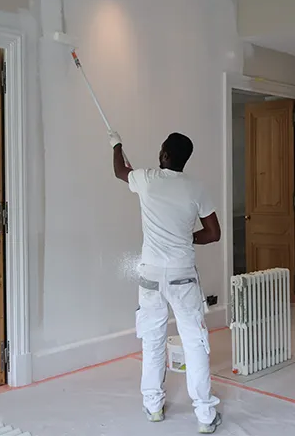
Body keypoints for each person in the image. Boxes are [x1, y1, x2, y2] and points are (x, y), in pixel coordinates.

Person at [109, 130, 222, 434]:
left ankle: (153, 406)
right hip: (182, 276)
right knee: (195, 342)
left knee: (153, 341)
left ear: (165, 155)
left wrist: (116, 143)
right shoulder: (196, 188)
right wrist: (187, 237)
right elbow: (213, 233)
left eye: (161, 150)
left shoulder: (146, 179)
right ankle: (205, 415)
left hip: (150, 276)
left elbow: (120, 170)